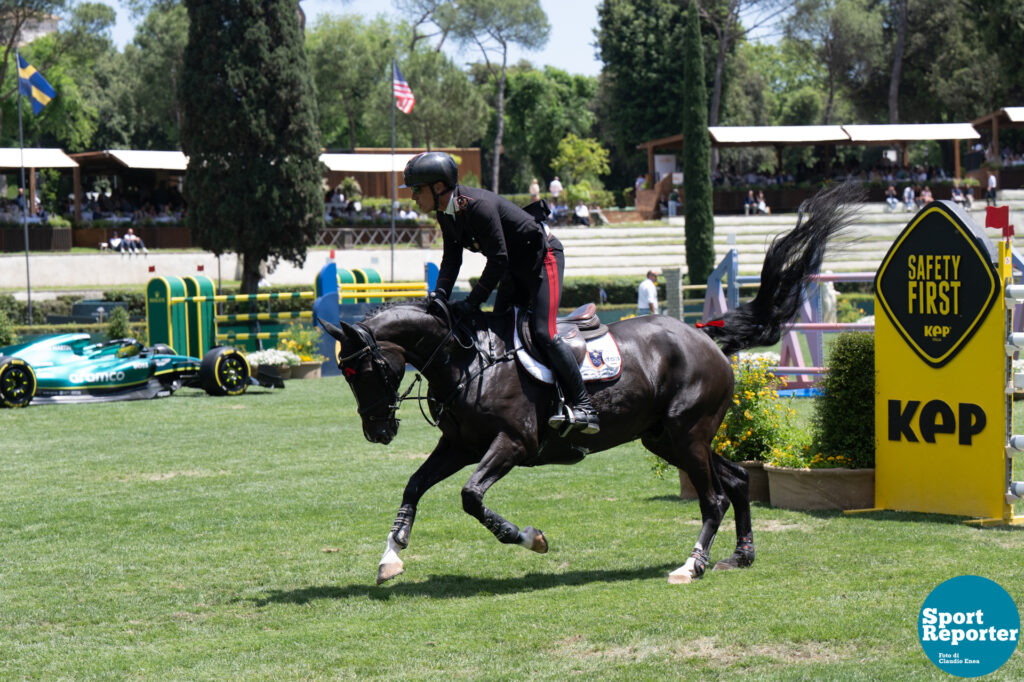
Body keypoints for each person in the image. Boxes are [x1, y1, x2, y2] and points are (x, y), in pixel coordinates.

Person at [402, 151, 599, 434]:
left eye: (416, 190)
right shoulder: (446, 213)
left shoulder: (477, 206)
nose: (412, 197)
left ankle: (584, 407)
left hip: (544, 260)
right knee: (500, 335)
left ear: (438, 187)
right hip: (515, 268)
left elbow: (498, 259)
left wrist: (473, 301)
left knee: (544, 332)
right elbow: (451, 260)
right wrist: (439, 296)